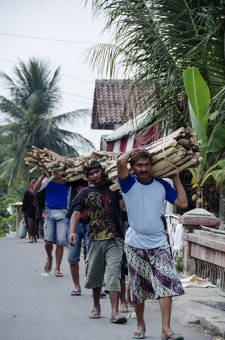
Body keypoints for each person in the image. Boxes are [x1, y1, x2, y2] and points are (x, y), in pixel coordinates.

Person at [117, 148, 188, 340]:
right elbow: (120, 163)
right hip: (134, 244)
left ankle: (166, 329)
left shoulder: (162, 185)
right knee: (137, 286)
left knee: (166, 281)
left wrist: (175, 178)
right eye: (139, 165)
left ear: (152, 165)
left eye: (147, 164)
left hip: (159, 243)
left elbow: (182, 203)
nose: (144, 168)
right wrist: (135, 150)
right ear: (133, 167)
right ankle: (140, 324)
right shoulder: (128, 184)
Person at [68, 159, 127, 324]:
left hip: (115, 239)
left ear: (103, 170)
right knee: (95, 273)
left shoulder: (114, 188)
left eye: (97, 171)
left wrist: (122, 188)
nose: (95, 175)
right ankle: (96, 306)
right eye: (91, 174)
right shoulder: (84, 193)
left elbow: (124, 207)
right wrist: (72, 232)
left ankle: (114, 312)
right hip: (94, 239)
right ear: (87, 177)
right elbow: (76, 213)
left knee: (114, 272)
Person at [33, 172, 69, 277]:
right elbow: (35, 190)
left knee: (60, 242)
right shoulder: (48, 179)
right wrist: (42, 176)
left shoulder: (68, 179)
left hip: (62, 212)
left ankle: (57, 268)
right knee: (48, 242)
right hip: (49, 212)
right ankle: (50, 257)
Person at [65, 179, 90, 296]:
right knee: (73, 256)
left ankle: (96, 285)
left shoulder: (97, 178)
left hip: (91, 222)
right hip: (73, 221)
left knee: (92, 256)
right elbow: (57, 178)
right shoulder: (73, 178)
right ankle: (77, 285)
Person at [22, 177, 45, 243]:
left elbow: (43, 200)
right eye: (32, 183)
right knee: (30, 224)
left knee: (36, 224)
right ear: (30, 183)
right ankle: (31, 237)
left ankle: (35, 236)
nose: (34, 184)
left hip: (38, 211)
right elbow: (25, 203)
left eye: (35, 183)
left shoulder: (40, 191)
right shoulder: (27, 192)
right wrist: (23, 212)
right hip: (29, 211)